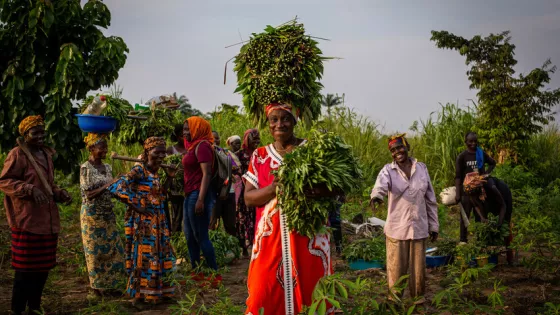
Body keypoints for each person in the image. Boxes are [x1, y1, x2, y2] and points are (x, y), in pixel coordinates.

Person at [243, 103, 333, 314]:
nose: (279, 124)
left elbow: (335, 188)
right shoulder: (260, 156)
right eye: (274, 119)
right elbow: (248, 198)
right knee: (262, 294)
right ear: (268, 123)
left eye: (285, 118)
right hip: (269, 241)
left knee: (311, 295)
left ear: (295, 120)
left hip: (308, 239)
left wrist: (312, 190)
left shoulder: (311, 150)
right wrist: (275, 188)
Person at [0, 115, 72, 315]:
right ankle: (17, 309)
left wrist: (59, 193)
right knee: (24, 270)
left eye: (42, 132)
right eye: (35, 132)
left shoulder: (46, 155)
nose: (40, 136)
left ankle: (35, 307)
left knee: (42, 268)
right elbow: (5, 181)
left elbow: (49, 184)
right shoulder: (17, 155)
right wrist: (29, 189)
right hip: (27, 220)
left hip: (47, 221)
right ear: (25, 134)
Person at [370, 134, 438, 302]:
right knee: (395, 269)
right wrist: (377, 196)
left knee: (418, 271)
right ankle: (395, 301)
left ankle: (418, 301)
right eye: (393, 150)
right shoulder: (388, 170)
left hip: (419, 227)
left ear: (407, 147)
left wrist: (434, 225)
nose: (397, 152)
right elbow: (381, 185)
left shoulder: (421, 168)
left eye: (399, 147)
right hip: (397, 228)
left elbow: (430, 199)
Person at [108, 137, 176, 307]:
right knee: (143, 257)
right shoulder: (139, 170)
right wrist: (136, 204)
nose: (161, 156)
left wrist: (169, 178)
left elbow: (160, 195)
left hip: (158, 221)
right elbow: (116, 187)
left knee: (159, 254)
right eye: (157, 152)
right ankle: (138, 297)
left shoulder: (155, 171)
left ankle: (158, 292)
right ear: (147, 152)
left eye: (163, 152)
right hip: (143, 223)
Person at [79, 133, 125, 297]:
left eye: (106, 147)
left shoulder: (107, 167)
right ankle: (97, 288)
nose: (105, 150)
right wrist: (111, 183)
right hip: (92, 215)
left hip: (107, 214)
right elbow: (89, 194)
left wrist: (123, 191)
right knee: (94, 253)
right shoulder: (86, 168)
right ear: (91, 149)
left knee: (114, 250)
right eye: (101, 147)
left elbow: (112, 191)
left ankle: (112, 285)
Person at [182, 117, 220, 282]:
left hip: (198, 194)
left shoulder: (203, 146)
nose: (185, 133)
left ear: (197, 129)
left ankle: (214, 273)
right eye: (184, 129)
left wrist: (201, 200)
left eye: (188, 129)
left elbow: (207, 174)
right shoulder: (192, 147)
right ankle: (196, 271)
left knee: (200, 235)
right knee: (189, 235)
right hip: (189, 193)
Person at [455, 132, 505, 242]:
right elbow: (458, 177)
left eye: (475, 141)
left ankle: (480, 241)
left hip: (480, 192)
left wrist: (486, 174)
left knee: (480, 216)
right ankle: (463, 241)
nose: (473, 143)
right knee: (465, 218)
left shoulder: (481, 153)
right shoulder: (462, 157)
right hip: (467, 192)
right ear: (466, 142)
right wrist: (458, 194)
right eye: (470, 141)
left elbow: (493, 163)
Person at [236, 129, 260, 256]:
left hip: (258, 191)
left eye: (258, 139)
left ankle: (255, 243)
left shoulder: (259, 154)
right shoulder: (239, 155)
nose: (256, 142)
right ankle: (244, 247)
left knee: (256, 217)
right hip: (244, 192)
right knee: (243, 219)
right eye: (254, 139)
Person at [209, 131, 237, 236]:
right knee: (212, 223)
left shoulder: (225, 152)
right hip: (214, 193)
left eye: (217, 138)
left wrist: (229, 171)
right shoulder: (207, 153)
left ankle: (232, 248)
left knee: (230, 224)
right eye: (213, 138)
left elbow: (235, 167)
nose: (215, 140)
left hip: (229, 191)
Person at [166, 124, 187, 233]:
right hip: (176, 188)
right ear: (178, 136)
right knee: (177, 216)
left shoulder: (191, 148)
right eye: (182, 135)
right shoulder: (171, 149)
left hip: (188, 186)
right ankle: (175, 238)